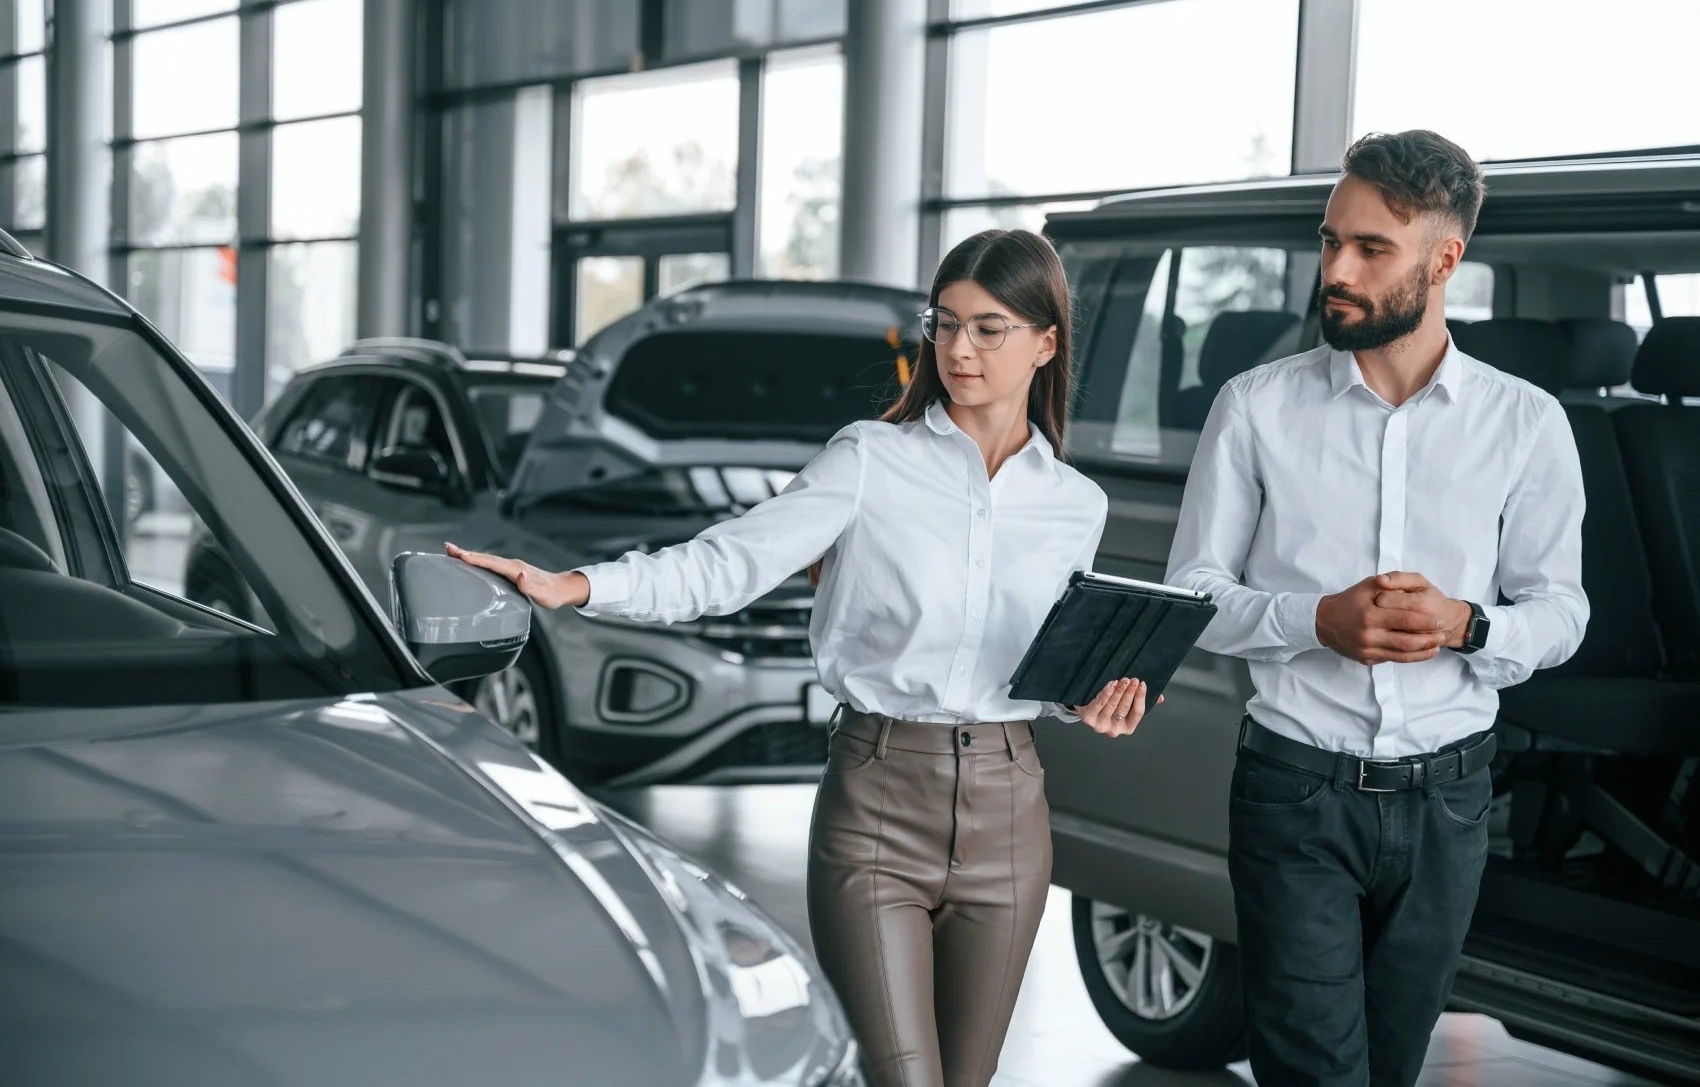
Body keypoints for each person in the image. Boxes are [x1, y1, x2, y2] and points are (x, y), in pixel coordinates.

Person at [448, 229, 1153, 1087]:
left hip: (1013, 810)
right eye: (947, 323)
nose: (959, 349)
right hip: (879, 802)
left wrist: (1081, 698)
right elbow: (727, 562)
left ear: (1045, 342)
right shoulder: (870, 459)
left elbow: (1034, 662)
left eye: (989, 328)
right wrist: (580, 585)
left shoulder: (1075, 503)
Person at [1165, 130, 1588, 1087]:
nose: (1336, 272)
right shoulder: (1254, 407)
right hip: (1294, 792)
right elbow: (1193, 593)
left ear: (1445, 260)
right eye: (1329, 242)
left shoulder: (1526, 425)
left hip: (1450, 804)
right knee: (1317, 1071)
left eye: (1370, 249)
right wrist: (1314, 620)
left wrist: (1468, 625)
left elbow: (1562, 610)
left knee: (1388, 1068)